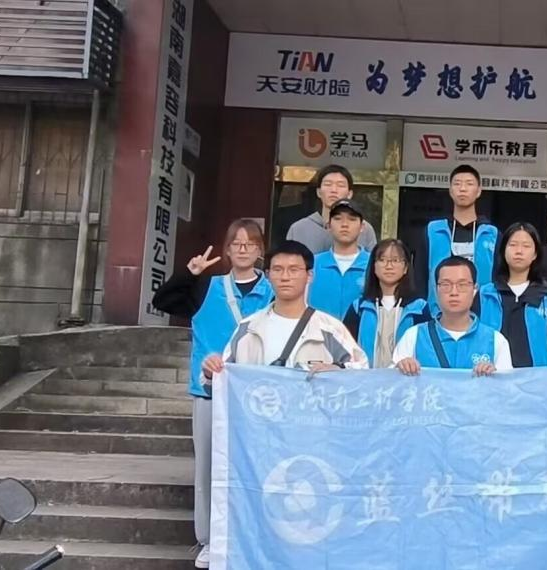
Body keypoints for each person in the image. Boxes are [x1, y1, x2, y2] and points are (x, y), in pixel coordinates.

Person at [149, 219, 273, 569]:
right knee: (207, 468)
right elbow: (163, 301)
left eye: (250, 243)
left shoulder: (273, 291)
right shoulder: (208, 286)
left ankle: (251, 536)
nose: (243, 249)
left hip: (258, 395)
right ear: (227, 249)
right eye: (236, 243)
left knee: (255, 467)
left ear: (260, 250)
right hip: (210, 392)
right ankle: (207, 539)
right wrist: (189, 274)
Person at [202, 240, 369, 378]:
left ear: (309, 276)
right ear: (268, 275)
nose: (285, 277)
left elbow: (362, 369)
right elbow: (224, 380)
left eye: (294, 270)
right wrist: (211, 373)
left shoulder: (329, 328)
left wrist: (338, 370)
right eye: (277, 270)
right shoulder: (248, 328)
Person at [393, 256, 513, 375]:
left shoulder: (495, 341)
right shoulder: (413, 336)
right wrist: (401, 368)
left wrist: (495, 376)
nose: (454, 292)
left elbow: (507, 384)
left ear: (475, 289)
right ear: (436, 290)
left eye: (462, 285)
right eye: (446, 285)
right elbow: (392, 381)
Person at [475, 223, 547, 368]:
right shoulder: (486, 295)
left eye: (526, 246)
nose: (519, 251)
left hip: (537, 377)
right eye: (513, 245)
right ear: (503, 250)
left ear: (535, 254)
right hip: (491, 375)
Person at [415, 164, 500, 309]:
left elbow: (499, 276)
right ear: (450, 190)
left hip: (482, 312)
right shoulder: (433, 231)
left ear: (479, 191)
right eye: (457, 184)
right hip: (438, 313)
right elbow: (419, 275)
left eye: (469, 184)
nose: (463, 189)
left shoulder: (492, 234)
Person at [343, 239, 431, 368]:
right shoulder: (359, 308)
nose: (389, 266)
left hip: (406, 377)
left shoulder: (418, 308)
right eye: (382, 260)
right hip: (365, 377)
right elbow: (344, 348)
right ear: (373, 266)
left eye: (395, 260)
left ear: (406, 267)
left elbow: (426, 350)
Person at [285, 164, 377, 253]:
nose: (334, 190)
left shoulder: (364, 229)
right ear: (319, 192)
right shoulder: (298, 229)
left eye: (340, 185)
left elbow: (373, 261)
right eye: (328, 184)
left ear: (349, 194)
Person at [308, 200, 370, 319]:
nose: (345, 224)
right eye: (337, 219)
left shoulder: (374, 265)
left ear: (362, 227)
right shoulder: (311, 264)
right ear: (328, 226)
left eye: (352, 219)